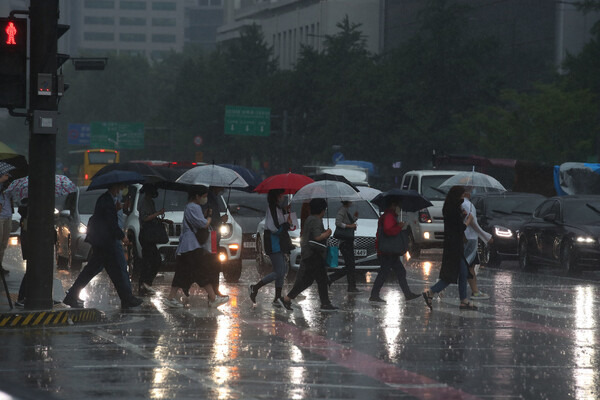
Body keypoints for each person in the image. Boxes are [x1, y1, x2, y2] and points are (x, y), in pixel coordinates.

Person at [63, 182, 143, 309]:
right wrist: (123, 237)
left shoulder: (109, 200)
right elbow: (110, 223)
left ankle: (126, 298)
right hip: (107, 242)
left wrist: (118, 207)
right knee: (119, 269)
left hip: (104, 242)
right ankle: (127, 298)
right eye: (120, 187)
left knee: (107, 271)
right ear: (114, 187)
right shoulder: (106, 201)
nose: (122, 189)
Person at [162, 185, 229, 308]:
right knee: (202, 271)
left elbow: (197, 221)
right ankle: (213, 298)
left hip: (187, 246)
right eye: (203, 196)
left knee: (181, 273)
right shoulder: (194, 207)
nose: (205, 199)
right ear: (197, 196)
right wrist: (209, 216)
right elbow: (203, 224)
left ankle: (170, 298)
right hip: (192, 245)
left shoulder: (190, 207)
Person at [422, 185, 476, 311]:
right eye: (462, 196)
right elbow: (459, 228)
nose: (463, 198)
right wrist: (468, 220)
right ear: (457, 196)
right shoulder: (452, 210)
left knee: (462, 273)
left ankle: (463, 300)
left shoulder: (451, 208)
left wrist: (462, 215)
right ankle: (432, 291)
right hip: (454, 246)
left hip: (454, 245)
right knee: (452, 274)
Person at [281, 198, 338, 312]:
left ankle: (287, 298)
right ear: (322, 210)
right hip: (314, 254)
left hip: (310, 254)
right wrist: (327, 233)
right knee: (321, 279)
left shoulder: (310, 219)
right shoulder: (315, 220)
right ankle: (325, 304)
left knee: (308, 280)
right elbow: (317, 237)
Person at [369, 198, 420, 303]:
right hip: (387, 251)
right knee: (385, 273)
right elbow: (388, 231)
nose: (399, 208)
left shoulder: (390, 216)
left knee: (398, 272)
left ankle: (407, 294)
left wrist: (398, 225)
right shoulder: (388, 216)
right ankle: (374, 295)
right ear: (393, 205)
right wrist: (398, 227)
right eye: (398, 206)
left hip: (389, 251)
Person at [249, 189, 293, 308]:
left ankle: (277, 297)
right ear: (276, 196)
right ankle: (255, 287)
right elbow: (275, 228)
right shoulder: (272, 209)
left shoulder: (279, 209)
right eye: (281, 195)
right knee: (279, 271)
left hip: (280, 244)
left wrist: (287, 214)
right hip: (274, 244)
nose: (283, 197)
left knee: (282, 271)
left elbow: (286, 226)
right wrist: (286, 224)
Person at [137, 183, 171, 296]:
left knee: (152, 261)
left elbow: (152, 217)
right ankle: (144, 284)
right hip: (146, 236)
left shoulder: (150, 201)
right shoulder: (144, 201)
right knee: (152, 260)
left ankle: (145, 284)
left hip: (149, 236)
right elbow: (145, 218)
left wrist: (163, 220)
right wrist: (158, 213)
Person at [462, 189, 493, 300]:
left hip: (469, 238)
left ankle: (475, 291)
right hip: (470, 239)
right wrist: (486, 236)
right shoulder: (466, 204)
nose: (472, 191)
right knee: (464, 265)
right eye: (470, 189)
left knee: (470, 266)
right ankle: (440, 286)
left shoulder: (464, 204)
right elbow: (473, 224)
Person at [327, 201, 360, 293]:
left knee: (351, 265)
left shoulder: (346, 210)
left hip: (348, 242)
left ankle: (351, 286)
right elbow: (338, 223)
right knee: (350, 265)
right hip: (344, 242)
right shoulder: (342, 210)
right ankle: (331, 278)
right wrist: (350, 226)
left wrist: (355, 218)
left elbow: (348, 222)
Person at [202, 186, 228, 297]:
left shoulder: (214, 198)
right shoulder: (209, 198)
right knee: (213, 265)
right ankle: (213, 291)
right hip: (211, 237)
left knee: (214, 264)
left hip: (214, 237)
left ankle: (214, 291)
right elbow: (209, 217)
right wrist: (221, 220)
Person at [0, 172, 13, 275]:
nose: (8, 177)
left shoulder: (7, 186)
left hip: (8, 216)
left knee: (4, 244)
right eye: (6, 175)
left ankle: (0, 264)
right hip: (0, 217)